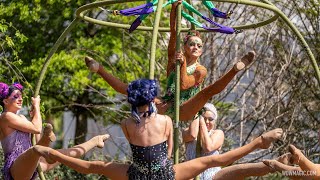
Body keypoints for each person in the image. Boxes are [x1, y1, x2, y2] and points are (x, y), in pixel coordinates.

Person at [32, 79, 283, 180]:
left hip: (138, 174)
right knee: (211, 162)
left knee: (94, 166)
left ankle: (56, 155)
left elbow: (134, 148)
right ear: (152, 100)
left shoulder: (127, 123)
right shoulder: (164, 121)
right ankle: (260, 141)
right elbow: (170, 148)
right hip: (164, 174)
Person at [83, 0, 256, 121]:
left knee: (207, 92)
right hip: (169, 102)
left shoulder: (200, 69)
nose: (196, 47)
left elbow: (184, 85)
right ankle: (99, 69)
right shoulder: (174, 59)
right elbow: (174, 33)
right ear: (186, 46)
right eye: (192, 44)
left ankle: (235, 69)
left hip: (187, 107)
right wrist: (174, 9)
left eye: (199, 45)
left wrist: (181, 66)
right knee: (134, 90)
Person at [0, 82, 109, 180]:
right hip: (16, 167)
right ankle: (48, 144)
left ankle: (95, 140)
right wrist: (37, 107)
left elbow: (36, 138)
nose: (20, 99)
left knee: (68, 153)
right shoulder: (5, 117)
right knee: (36, 150)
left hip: (33, 162)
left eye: (21, 96)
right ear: (5, 101)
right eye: (15, 96)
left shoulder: (22, 118)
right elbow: (37, 129)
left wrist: (34, 117)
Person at [183, 103, 224, 179]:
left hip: (211, 177)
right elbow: (192, 135)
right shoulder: (187, 132)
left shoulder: (218, 133)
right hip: (191, 176)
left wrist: (202, 124)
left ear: (214, 121)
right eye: (204, 118)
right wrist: (198, 114)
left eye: (210, 119)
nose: (207, 122)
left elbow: (208, 147)